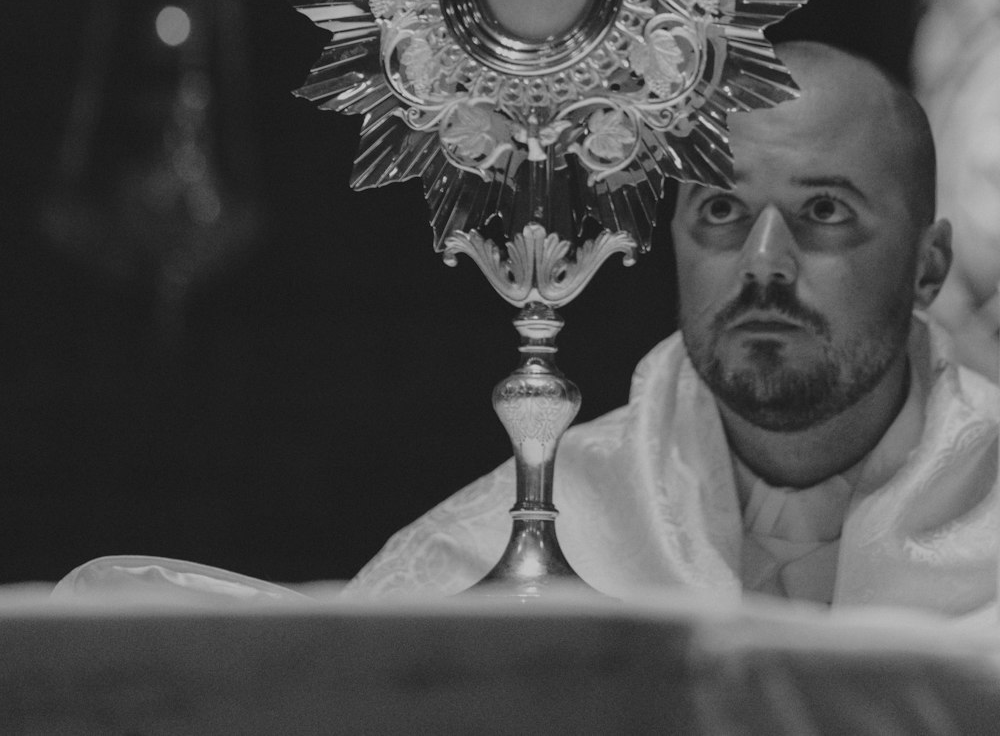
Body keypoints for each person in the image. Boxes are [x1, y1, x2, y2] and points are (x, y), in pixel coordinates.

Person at [348, 42, 999, 614]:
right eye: (722, 209)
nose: (764, 264)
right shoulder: (507, 547)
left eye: (823, 210)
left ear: (928, 265)